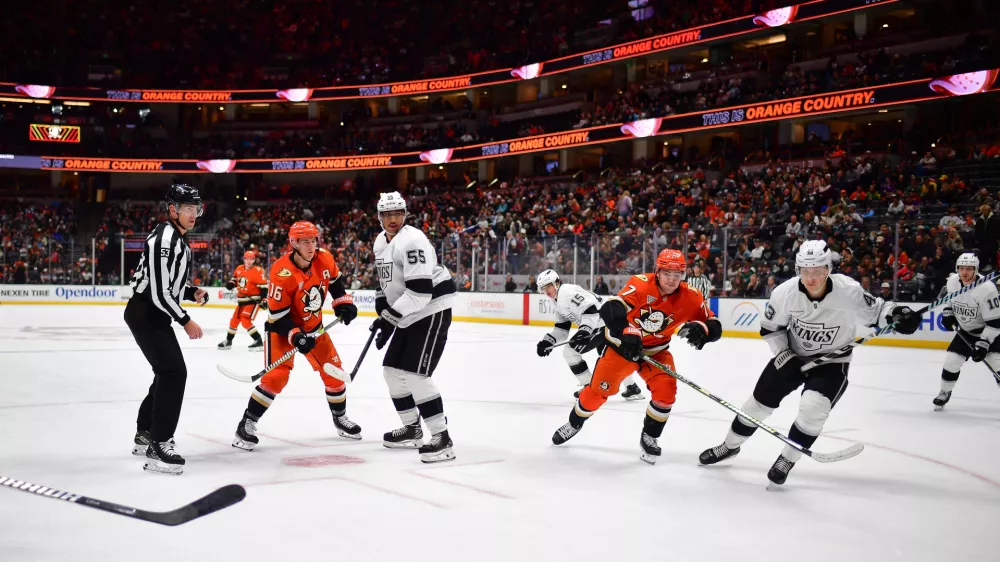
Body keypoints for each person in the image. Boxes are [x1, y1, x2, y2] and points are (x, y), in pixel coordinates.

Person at [698, 240, 922, 486]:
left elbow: (878, 311)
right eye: (805, 270)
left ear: (828, 269)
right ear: (798, 270)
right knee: (755, 406)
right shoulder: (785, 293)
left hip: (833, 362)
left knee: (812, 409)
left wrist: (898, 314)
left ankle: (787, 459)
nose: (811, 277)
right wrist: (784, 354)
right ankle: (729, 446)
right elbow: (771, 328)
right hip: (792, 357)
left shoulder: (849, 290)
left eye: (817, 270)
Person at [551, 249, 723, 465]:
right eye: (667, 273)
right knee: (597, 393)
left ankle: (649, 436)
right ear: (657, 271)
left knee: (666, 393)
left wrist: (704, 330)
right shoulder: (641, 284)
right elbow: (611, 308)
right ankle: (574, 423)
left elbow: (715, 324)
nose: (672, 279)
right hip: (621, 349)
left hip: (656, 352)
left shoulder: (691, 297)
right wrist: (626, 331)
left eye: (677, 274)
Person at [231, 221, 360, 451]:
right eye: (305, 242)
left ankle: (340, 419)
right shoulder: (282, 272)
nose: (311, 246)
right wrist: (297, 336)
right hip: (282, 331)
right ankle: (246, 424)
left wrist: (343, 303)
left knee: (336, 376)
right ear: (293, 243)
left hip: (315, 329)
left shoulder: (324, 257)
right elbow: (278, 317)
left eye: (314, 240)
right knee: (276, 378)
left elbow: (335, 282)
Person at [124, 183, 208, 475]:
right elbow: (159, 293)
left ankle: (145, 432)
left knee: (166, 371)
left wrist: (191, 291)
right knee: (174, 372)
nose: (193, 214)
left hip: (151, 311)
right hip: (146, 311)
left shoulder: (177, 238)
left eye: (196, 208)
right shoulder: (165, 240)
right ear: (172, 210)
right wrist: (186, 321)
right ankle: (159, 444)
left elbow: (170, 286)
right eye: (187, 208)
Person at [370, 192, 458, 463]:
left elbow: (420, 292)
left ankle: (442, 438)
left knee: (416, 374)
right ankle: (412, 428)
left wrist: (389, 318)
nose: (393, 219)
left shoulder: (412, 241)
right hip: (410, 313)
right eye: (387, 214)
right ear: (380, 217)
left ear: (404, 214)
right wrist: (384, 312)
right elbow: (386, 284)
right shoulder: (380, 242)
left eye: (397, 213)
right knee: (392, 371)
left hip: (431, 309)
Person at [534, 269, 644, 401]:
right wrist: (548, 341)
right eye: (543, 288)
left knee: (570, 352)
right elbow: (562, 329)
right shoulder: (556, 300)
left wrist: (584, 331)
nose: (546, 291)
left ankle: (589, 389)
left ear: (556, 283)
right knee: (610, 355)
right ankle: (632, 387)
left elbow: (591, 311)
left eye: (548, 286)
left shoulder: (567, 293)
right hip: (602, 323)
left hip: (602, 324)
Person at [932, 252, 1000, 410]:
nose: (964, 272)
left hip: (989, 334)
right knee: (951, 362)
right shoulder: (953, 281)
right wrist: (948, 313)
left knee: (997, 366)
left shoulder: (987, 289)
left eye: (969, 268)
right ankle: (944, 392)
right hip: (966, 332)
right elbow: (951, 299)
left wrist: (983, 344)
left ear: (975, 269)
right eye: (961, 268)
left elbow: (996, 322)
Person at [218, 250, 268, 351]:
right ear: (244, 259)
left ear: (254, 260)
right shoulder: (239, 268)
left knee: (245, 320)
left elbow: (264, 287)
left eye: (251, 259)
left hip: (252, 301)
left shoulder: (257, 271)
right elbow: (235, 279)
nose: (249, 261)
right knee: (234, 321)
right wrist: (231, 283)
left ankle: (258, 341)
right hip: (241, 301)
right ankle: (228, 341)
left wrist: (264, 299)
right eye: (247, 259)